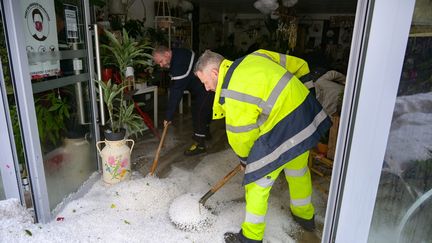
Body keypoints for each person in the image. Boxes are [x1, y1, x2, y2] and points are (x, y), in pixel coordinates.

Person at [194, 49, 332, 243]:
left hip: (283, 126)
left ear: (215, 73)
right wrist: (306, 96)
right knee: (298, 171)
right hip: (304, 119)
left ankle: (250, 237)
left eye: (205, 82)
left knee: (257, 183)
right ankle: (305, 217)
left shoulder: (233, 90)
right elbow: (300, 64)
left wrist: (246, 161)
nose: (206, 88)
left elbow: (241, 135)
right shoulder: (256, 56)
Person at [153, 46, 214, 155]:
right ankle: (206, 133)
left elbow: (176, 92)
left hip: (207, 87)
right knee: (202, 110)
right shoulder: (178, 53)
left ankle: (200, 145)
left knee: (199, 113)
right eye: (159, 64)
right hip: (201, 88)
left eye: (161, 61)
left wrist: (168, 116)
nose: (161, 65)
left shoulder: (179, 63)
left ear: (167, 54)